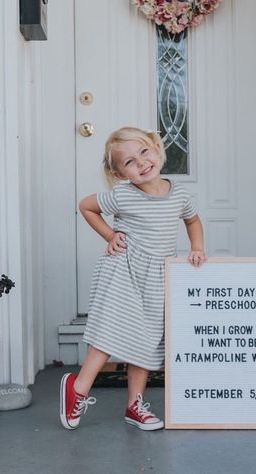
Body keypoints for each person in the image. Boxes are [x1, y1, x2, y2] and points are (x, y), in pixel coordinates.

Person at [60, 126, 206, 431]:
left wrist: (197, 248)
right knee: (111, 327)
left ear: (156, 148)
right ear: (120, 174)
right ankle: (78, 387)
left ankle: (134, 406)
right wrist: (111, 235)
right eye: (129, 162)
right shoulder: (122, 195)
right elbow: (86, 207)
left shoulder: (178, 193)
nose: (140, 163)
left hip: (157, 275)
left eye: (143, 152)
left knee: (147, 339)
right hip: (124, 269)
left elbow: (192, 220)